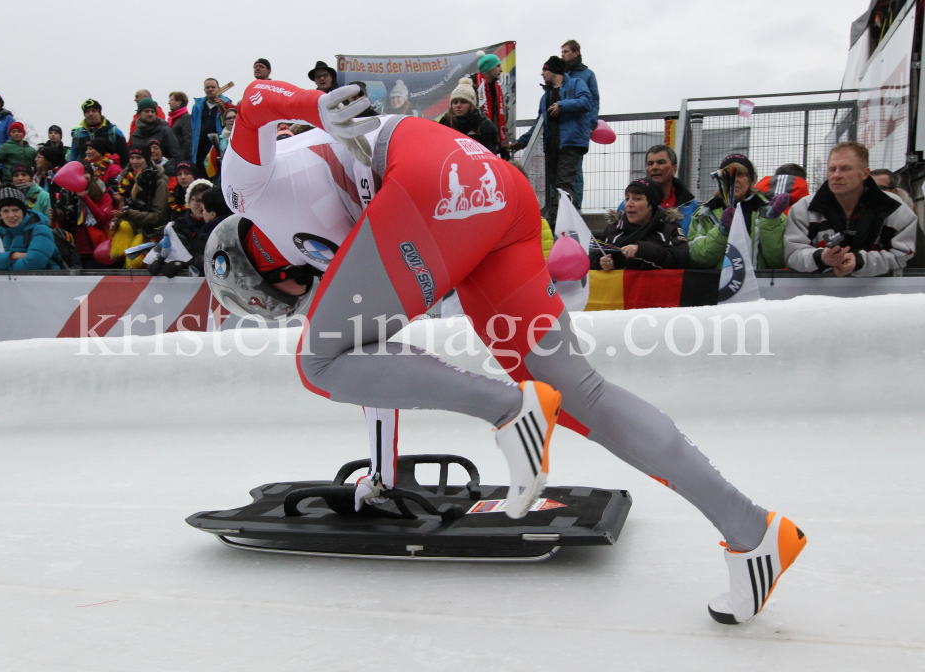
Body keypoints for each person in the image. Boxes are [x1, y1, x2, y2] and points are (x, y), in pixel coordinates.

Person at [216, 80, 807, 625]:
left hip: (427, 177)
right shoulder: (330, 247)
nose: (294, 298)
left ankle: (509, 409)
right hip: (494, 192)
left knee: (315, 361)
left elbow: (256, 102)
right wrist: (380, 471)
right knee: (582, 396)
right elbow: (383, 369)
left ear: (250, 269)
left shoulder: (244, 191)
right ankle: (751, 530)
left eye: (272, 298)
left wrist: (308, 107)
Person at [785, 142, 917, 277]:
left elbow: (903, 254)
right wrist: (821, 258)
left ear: (865, 173)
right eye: (832, 169)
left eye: (845, 168)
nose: (836, 175)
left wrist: (859, 261)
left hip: (881, 294)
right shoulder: (803, 208)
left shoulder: (895, 207)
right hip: (819, 295)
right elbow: (792, 255)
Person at [511, 56, 593, 226]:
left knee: (564, 185)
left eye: (545, 69)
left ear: (554, 70)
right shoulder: (545, 96)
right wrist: (521, 142)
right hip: (552, 144)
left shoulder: (576, 84)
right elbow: (539, 123)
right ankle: (557, 220)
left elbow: (587, 101)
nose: (542, 74)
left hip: (570, 143)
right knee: (553, 186)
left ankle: (561, 224)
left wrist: (562, 106)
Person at [688, 154, 788, 270]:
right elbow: (697, 258)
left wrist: (771, 223)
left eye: (739, 174)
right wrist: (721, 232)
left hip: (757, 285)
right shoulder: (705, 213)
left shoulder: (769, 211)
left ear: (753, 179)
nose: (733, 179)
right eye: (727, 174)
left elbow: (778, 261)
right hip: (717, 285)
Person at [591, 178, 689, 271]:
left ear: (651, 205)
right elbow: (591, 258)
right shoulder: (613, 229)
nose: (629, 204)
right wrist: (601, 263)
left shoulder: (670, 228)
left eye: (637, 199)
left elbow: (683, 260)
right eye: (627, 198)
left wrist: (643, 250)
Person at [618, 144, 697, 236]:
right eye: (650, 164)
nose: (654, 167)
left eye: (661, 162)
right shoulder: (628, 205)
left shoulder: (690, 205)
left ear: (674, 169)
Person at [146, 180, 217, 277]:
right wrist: (158, 261)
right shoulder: (176, 227)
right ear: (189, 202)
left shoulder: (218, 228)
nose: (201, 206)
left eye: (205, 201)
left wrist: (184, 264)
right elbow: (161, 251)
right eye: (197, 201)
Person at [560, 39, 600, 209]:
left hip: (578, 129)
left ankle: (576, 207)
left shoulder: (587, 74)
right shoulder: (560, 74)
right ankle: (563, 207)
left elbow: (594, 100)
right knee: (563, 172)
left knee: (576, 170)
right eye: (562, 52)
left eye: (566, 52)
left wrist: (591, 124)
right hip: (562, 129)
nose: (563, 55)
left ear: (576, 53)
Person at [53, 160, 113, 267]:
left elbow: (102, 221)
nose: (82, 176)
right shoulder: (67, 194)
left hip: (97, 250)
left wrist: (86, 199)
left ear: (91, 174)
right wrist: (58, 215)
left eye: (85, 172)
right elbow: (66, 226)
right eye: (78, 174)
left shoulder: (103, 194)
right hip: (76, 251)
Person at [0, 187, 60, 270]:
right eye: (5, 211)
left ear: (23, 211)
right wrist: (13, 256)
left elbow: (34, 263)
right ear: (0, 214)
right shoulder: (0, 232)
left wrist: (4, 268)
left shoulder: (40, 229)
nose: (11, 215)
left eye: (15, 210)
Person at [113, 147, 169, 243]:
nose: (134, 162)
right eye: (132, 157)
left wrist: (128, 214)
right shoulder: (127, 178)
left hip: (150, 236)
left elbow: (158, 215)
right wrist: (115, 221)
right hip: (129, 234)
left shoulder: (158, 182)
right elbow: (125, 209)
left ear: (147, 159)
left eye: (139, 158)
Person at [438, 78, 499, 155]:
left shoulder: (485, 125)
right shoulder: (445, 123)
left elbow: (491, 156)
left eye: (463, 102)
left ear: (471, 105)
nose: (458, 106)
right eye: (455, 102)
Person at [472, 52, 510, 159]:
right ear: (488, 69)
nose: (501, 70)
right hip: (477, 144)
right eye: (498, 66)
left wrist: (504, 147)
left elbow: (502, 122)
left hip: (494, 145)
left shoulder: (497, 90)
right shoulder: (473, 88)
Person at [69, 99, 129, 167]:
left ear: (99, 112)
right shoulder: (78, 134)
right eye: (87, 111)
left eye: (94, 111)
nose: (90, 114)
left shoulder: (114, 132)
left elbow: (125, 158)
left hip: (109, 173)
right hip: (86, 174)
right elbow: (72, 160)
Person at [191, 79, 233, 174]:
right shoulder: (197, 107)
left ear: (219, 88)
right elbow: (193, 127)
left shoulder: (226, 104)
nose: (210, 89)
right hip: (200, 149)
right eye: (207, 87)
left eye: (213, 87)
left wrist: (224, 107)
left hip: (218, 148)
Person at [0, 122, 37, 188]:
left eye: (19, 131)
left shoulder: (31, 150)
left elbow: (37, 165)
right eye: (13, 131)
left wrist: (34, 169)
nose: (16, 133)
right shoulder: (5, 147)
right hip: (10, 182)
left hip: (28, 182)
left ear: (23, 134)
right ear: (10, 134)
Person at [34, 145, 67, 212]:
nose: (36, 159)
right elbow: (36, 193)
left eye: (39, 157)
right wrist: (30, 206)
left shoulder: (59, 177)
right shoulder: (42, 176)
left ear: (48, 159)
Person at [168, 92, 193, 162]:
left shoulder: (185, 117)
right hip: (173, 156)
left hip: (181, 158)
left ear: (179, 102)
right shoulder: (172, 119)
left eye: (171, 100)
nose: (169, 102)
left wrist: (184, 158)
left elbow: (188, 139)